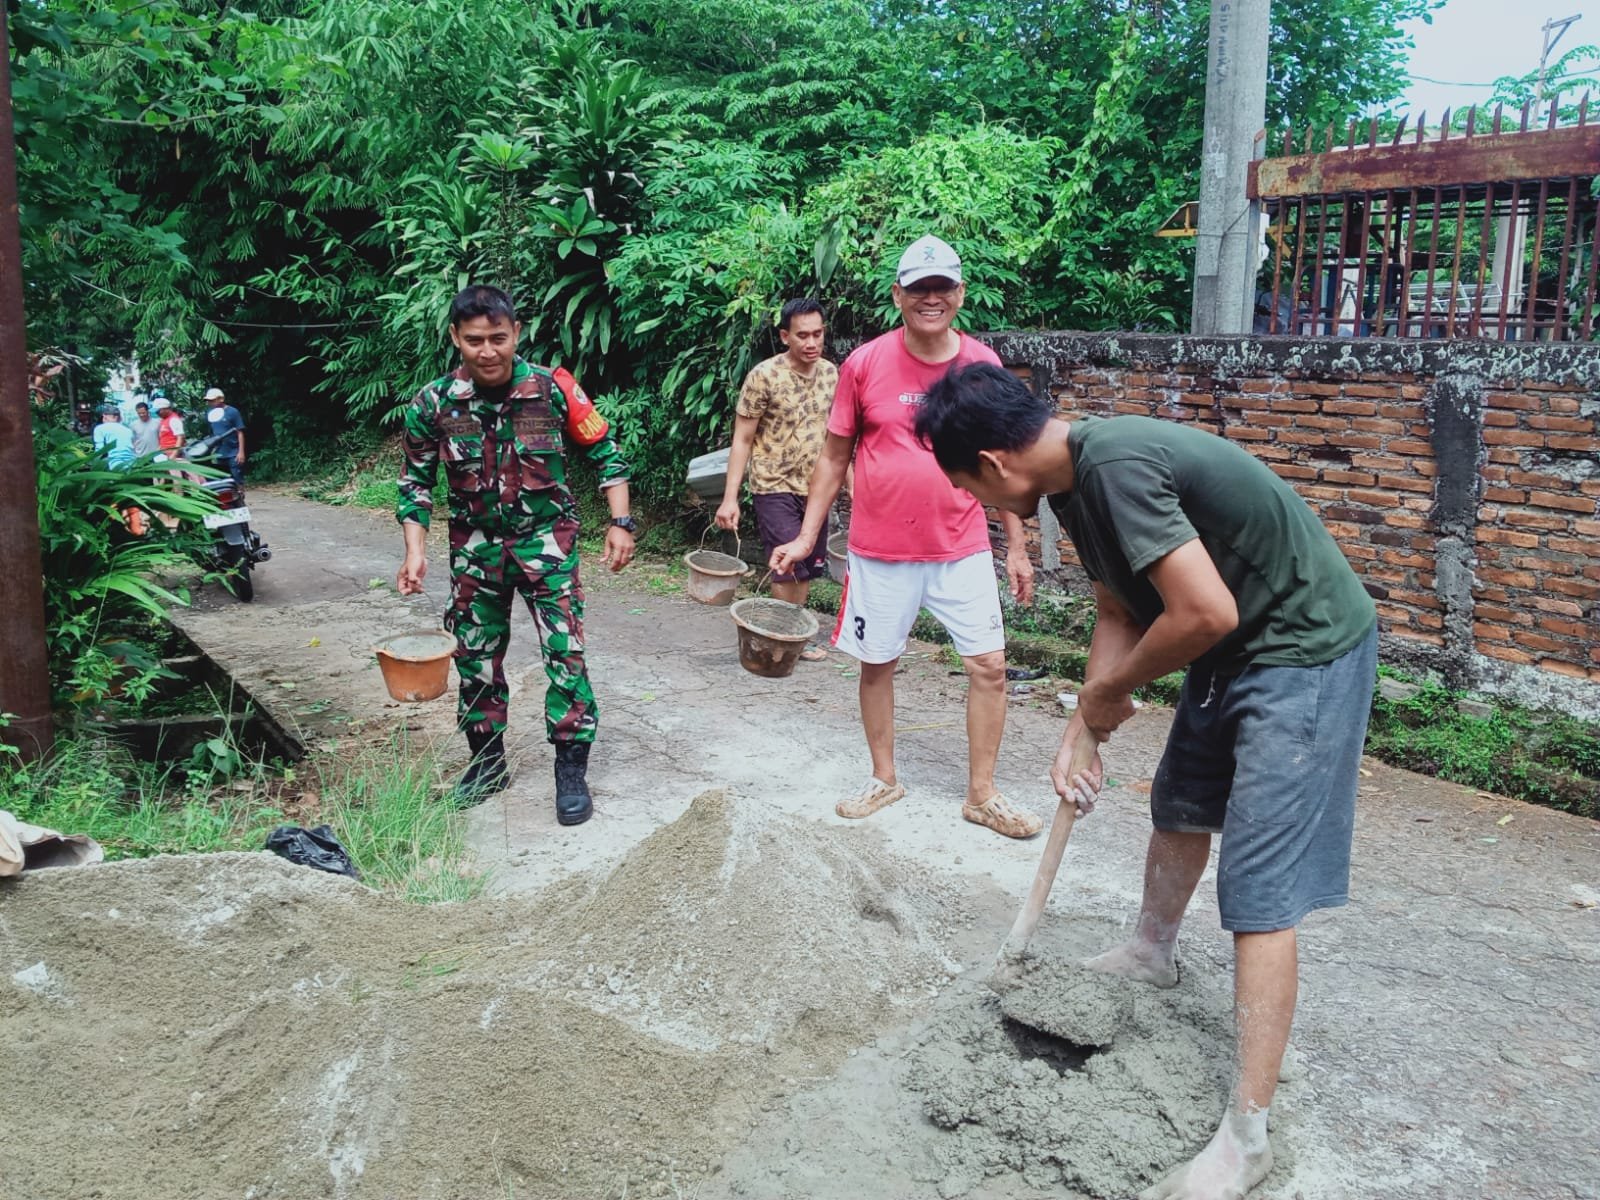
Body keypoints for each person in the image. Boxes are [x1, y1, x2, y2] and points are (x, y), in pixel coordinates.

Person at [914, 361, 1380, 1200]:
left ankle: (1246, 1136)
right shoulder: (1068, 487)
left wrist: (1109, 691)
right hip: (1232, 646)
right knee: (1182, 803)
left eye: (968, 489)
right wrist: (1084, 727)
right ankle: (1149, 951)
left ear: (993, 462)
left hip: (1302, 647)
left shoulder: (1118, 466)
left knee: (1259, 889)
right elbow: (1122, 611)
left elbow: (1204, 613)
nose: (981, 509)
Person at [770, 235, 1039, 840]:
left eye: (942, 287)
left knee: (991, 667)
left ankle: (981, 794)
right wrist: (808, 536)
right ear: (898, 295)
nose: (931, 298)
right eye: (918, 288)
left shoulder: (982, 365)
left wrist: (1017, 546)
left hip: (961, 546)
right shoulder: (864, 364)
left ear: (960, 294)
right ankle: (884, 776)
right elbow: (834, 458)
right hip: (880, 551)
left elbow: (1007, 462)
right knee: (876, 664)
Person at [395, 284, 635, 824]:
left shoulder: (552, 388)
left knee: (565, 653)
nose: (488, 351)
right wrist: (415, 551)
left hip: (547, 544)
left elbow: (605, 451)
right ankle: (486, 763)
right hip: (475, 550)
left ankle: (570, 769)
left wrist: (620, 522)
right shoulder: (432, 403)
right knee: (476, 657)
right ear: (456, 337)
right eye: (475, 340)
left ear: (516, 334)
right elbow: (414, 483)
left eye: (498, 338)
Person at [716, 297, 838, 661]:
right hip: (773, 485)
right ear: (785, 336)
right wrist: (730, 497)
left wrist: (852, 485)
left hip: (816, 488)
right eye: (802, 335)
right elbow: (742, 439)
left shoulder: (832, 374)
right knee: (788, 564)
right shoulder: (764, 376)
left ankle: (788, 635)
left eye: (817, 334)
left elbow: (838, 439)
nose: (811, 342)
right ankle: (787, 637)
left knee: (808, 567)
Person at [203, 386, 247, 488]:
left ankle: (240, 494)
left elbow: (240, 432)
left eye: (212, 400)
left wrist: (241, 452)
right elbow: (212, 433)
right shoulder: (210, 413)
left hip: (233, 451)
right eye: (209, 401)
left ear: (220, 399)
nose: (210, 403)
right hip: (219, 452)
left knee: (237, 476)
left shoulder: (232, 412)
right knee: (223, 478)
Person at [92, 405, 135, 469]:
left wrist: (94, 466)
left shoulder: (99, 428)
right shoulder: (128, 430)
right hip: (132, 464)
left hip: (115, 465)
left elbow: (99, 450)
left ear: (104, 416)